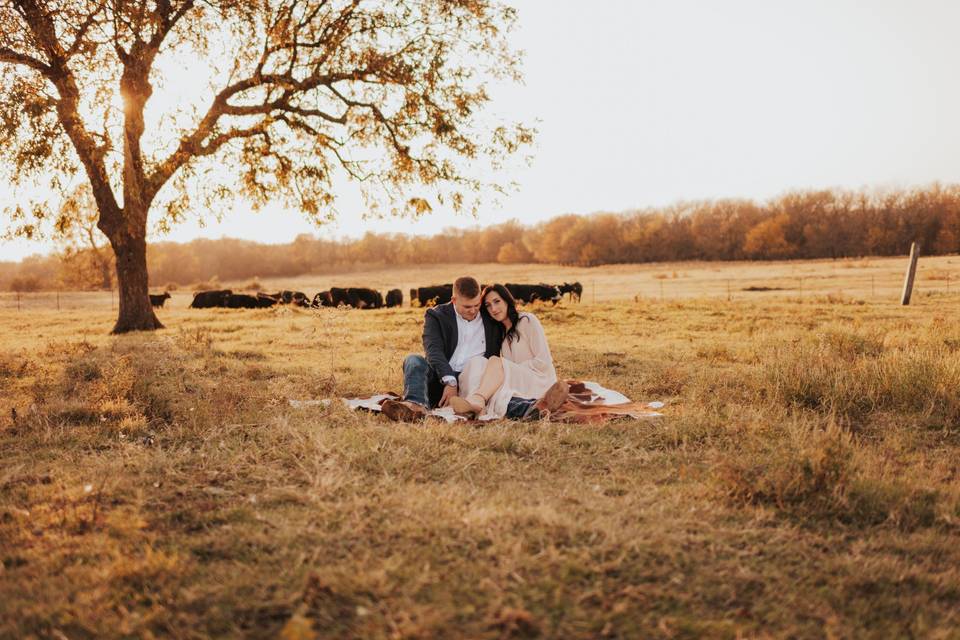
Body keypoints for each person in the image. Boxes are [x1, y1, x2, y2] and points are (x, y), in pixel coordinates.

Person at [381, 276, 503, 421]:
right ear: (454, 300)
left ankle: (466, 410)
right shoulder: (436, 315)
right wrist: (450, 380)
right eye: (467, 307)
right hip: (441, 378)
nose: (473, 311)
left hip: (475, 382)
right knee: (413, 360)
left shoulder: (490, 317)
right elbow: (433, 350)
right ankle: (415, 406)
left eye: (477, 305)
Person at [451, 283, 569, 420]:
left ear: (507, 300)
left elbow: (543, 362)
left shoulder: (527, 320)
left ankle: (477, 399)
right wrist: (507, 372)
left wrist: (509, 370)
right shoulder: (500, 333)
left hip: (539, 378)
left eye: (497, 302)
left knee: (496, 362)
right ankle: (480, 406)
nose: (493, 309)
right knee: (477, 363)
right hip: (518, 382)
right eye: (488, 305)